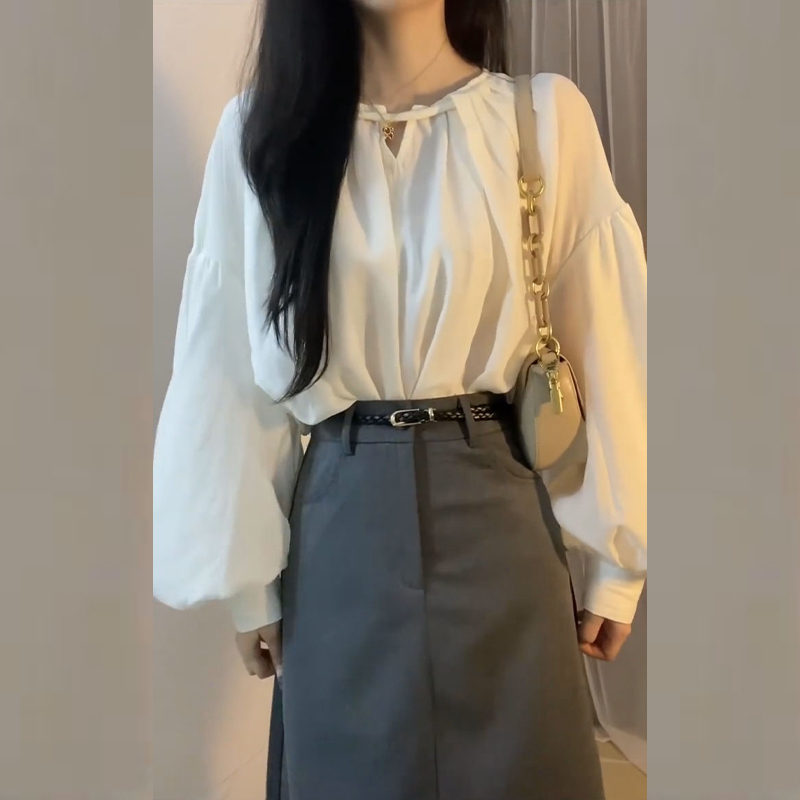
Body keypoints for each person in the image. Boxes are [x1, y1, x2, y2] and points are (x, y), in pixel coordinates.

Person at [153, 0, 647, 797]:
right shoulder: (261, 136)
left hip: (501, 523)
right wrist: (249, 586)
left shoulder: (543, 121)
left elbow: (608, 339)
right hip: (338, 534)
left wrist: (619, 559)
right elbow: (228, 374)